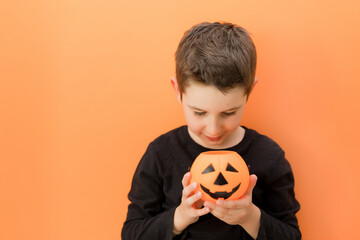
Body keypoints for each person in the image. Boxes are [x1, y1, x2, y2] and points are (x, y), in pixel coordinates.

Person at [121, 22, 301, 240]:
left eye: (228, 113)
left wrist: (250, 217)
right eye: (199, 112)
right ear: (178, 90)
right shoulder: (160, 154)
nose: (214, 129)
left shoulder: (270, 157)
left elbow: (291, 235)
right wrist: (180, 217)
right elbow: (131, 234)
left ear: (249, 92)